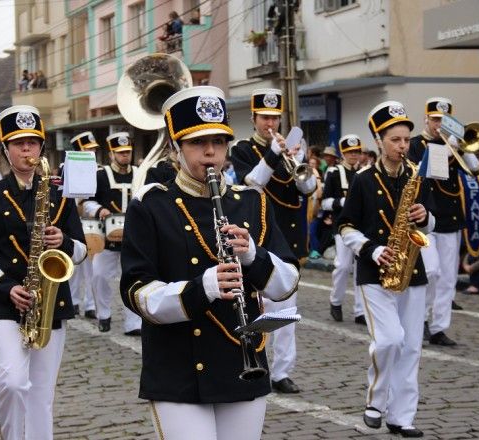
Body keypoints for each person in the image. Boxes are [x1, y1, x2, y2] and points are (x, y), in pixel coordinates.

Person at [120, 85, 300, 440]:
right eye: (197, 143)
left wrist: (253, 256)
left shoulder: (251, 202)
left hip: (241, 360)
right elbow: (137, 293)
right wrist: (203, 288)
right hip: (178, 366)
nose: (210, 153)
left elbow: (288, 283)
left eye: (219, 142)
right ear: (176, 146)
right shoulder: (151, 205)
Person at [0, 105, 86, 440]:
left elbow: (83, 248)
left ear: (42, 148)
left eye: (33, 143)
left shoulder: (60, 194)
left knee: (41, 395)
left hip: (50, 302)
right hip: (7, 302)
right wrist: (4, 289)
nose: (27, 150)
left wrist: (64, 241)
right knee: (14, 382)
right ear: (6, 150)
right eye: (18, 143)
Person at [336, 100, 434, 438]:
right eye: (395, 140)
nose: (402, 146)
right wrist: (372, 249)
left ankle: (402, 416)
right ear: (378, 140)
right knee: (390, 340)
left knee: (411, 348)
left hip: (412, 270)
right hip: (374, 270)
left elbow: (431, 222)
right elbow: (345, 226)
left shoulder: (417, 176)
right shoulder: (362, 180)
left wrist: (426, 217)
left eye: (406, 140)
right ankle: (376, 401)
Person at [230, 88, 317, 394]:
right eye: (265, 118)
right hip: (256, 235)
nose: (271, 124)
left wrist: (300, 166)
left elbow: (307, 190)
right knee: (252, 306)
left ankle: (282, 371)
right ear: (253, 118)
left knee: (285, 309)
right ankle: (251, 359)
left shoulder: (293, 149)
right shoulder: (242, 149)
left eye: (275, 118)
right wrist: (272, 155)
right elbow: (251, 184)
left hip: (288, 236)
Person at [408, 97, 479, 346]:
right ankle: (422, 318)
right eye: (436, 119)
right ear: (426, 119)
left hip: (450, 216)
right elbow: (432, 171)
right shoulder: (416, 144)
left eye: (444, 120)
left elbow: (474, 170)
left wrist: (463, 147)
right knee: (431, 270)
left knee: (448, 277)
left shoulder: (453, 144)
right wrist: (448, 146)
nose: (439, 124)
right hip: (426, 216)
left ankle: (439, 327)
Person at [82, 132, 142, 335]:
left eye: (128, 152)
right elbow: (87, 201)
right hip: (106, 237)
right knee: (99, 276)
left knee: (133, 277)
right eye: (121, 152)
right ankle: (104, 315)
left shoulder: (139, 173)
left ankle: (133, 323)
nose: (125, 156)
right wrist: (99, 210)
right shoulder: (101, 175)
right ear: (111, 154)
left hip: (133, 236)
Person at [322, 135, 365, 324]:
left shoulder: (364, 173)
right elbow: (324, 203)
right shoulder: (333, 173)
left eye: (356, 152)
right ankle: (336, 302)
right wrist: (343, 201)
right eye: (350, 152)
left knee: (361, 269)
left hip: (361, 228)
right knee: (343, 266)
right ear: (343, 154)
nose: (354, 155)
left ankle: (360, 311)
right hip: (341, 226)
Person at [68, 132, 100, 320]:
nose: (93, 152)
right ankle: (73, 301)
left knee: (91, 266)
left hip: (91, 222)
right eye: (89, 149)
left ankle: (90, 304)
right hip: (72, 222)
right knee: (73, 266)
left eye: (94, 149)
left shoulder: (100, 170)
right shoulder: (68, 167)